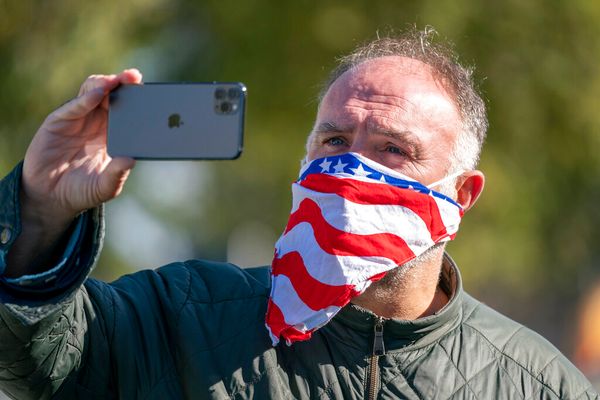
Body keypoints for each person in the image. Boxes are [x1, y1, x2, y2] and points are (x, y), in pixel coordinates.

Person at [0, 28, 596, 400]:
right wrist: (41, 208)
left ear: (462, 195)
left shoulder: (536, 384)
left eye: (393, 149)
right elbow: (31, 361)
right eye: (333, 142)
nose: (350, 170)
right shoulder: (181, 318)